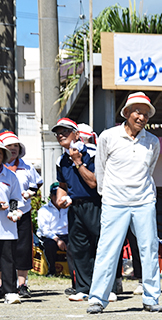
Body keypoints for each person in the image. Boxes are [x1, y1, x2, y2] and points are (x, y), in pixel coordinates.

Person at [86, 92, 162, 314]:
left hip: (144, 200)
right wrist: (106, 194)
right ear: (126, 113)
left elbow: (150, 170)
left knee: (149, 249)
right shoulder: (108, 136)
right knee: (107, 249)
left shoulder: (153, 141)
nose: (142, 117)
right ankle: (98, 299)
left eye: (146, 113)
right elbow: (100, 168)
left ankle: (151, 297)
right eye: (138, 111)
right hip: (114, 201)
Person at [53, 118, 101, 301]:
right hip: (74, 206)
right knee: (79, 248)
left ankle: (107, 288)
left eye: (65, 131)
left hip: (95, 204)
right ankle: (83, 288)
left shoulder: (93, 153)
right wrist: (59, 198)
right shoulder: (61, 160)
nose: (60, 135)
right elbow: (62, 184)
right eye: (58, 132)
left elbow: (93, 182)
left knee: (100, 246)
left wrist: (78, 162)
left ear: (77, 134)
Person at [0, 130, 43, 298]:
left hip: (16, 216)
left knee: (18, 250)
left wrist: (12, 209)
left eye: (15, 146)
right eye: (9, 146)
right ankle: (4, 286)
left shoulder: (20, 170)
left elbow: (15, 196)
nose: (13, 149)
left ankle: (19, 285)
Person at [0, 141, 24, 304]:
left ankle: (9, 291)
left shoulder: (10, 176)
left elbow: (15, 197)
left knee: (7, 258)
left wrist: (13, 211)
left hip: (6, 226)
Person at [36, 182, 73, 277]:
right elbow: (44, 230)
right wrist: (57, 240)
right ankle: (51, 270)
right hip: (50, 237)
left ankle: (73, 272)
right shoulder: (44, 210)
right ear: (51, 196)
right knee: (49, 245)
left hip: (66, 235)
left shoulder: (68, 208)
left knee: (75, 244)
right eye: (57, 195)